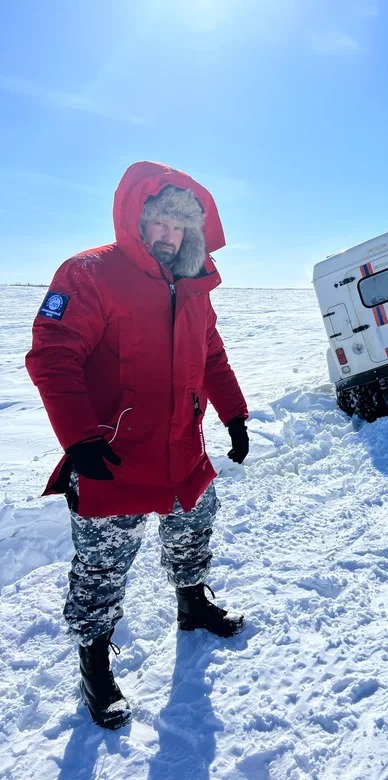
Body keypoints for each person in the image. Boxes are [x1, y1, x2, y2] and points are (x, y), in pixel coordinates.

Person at [26, 161, 250, 730]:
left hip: (183, 448)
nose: (169, 235)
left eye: (180, 226)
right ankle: (94, 665)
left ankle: (192, 603)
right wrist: (78, 439)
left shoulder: (196, 284)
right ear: (136, 221)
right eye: (159, 222)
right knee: (102, 568)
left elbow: (212, 356)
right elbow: (52, 355)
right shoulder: (90, 274)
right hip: (113, 456)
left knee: (194, 528)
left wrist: (236, 414)